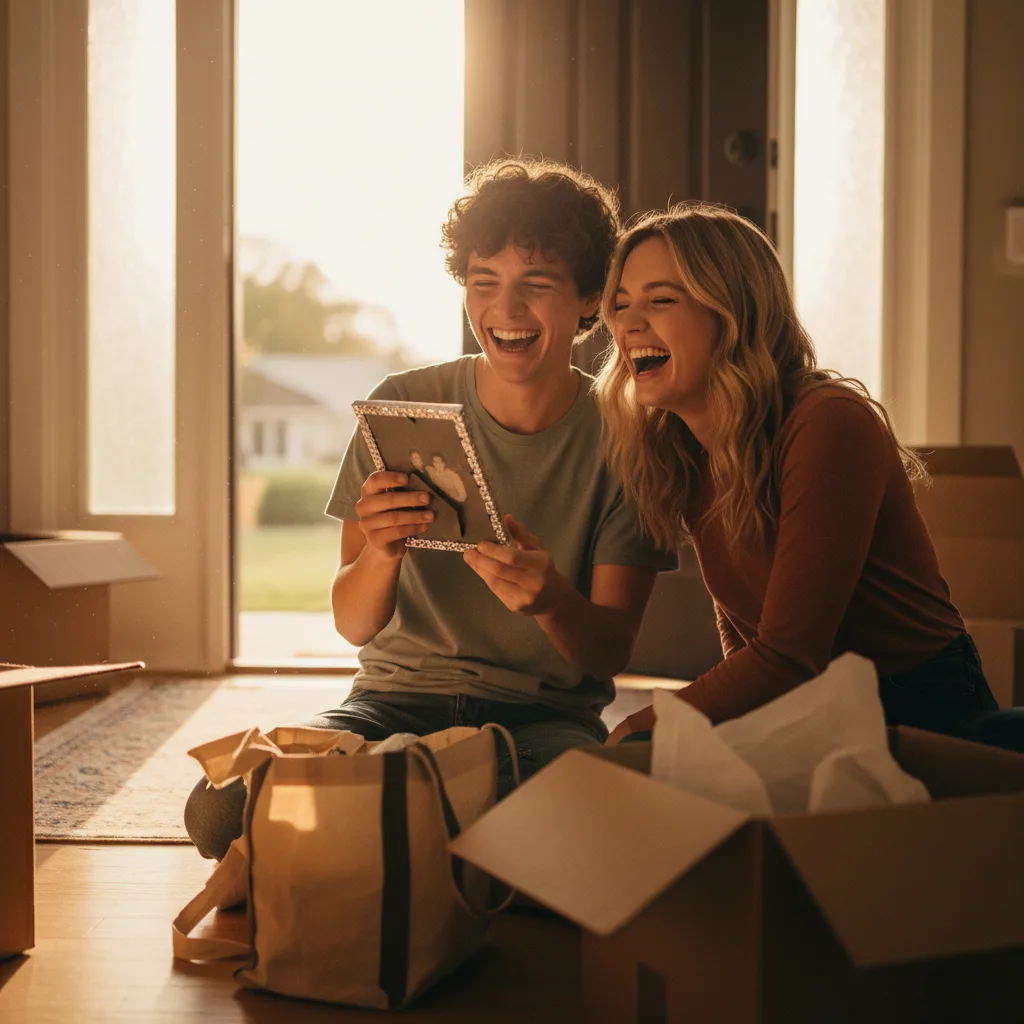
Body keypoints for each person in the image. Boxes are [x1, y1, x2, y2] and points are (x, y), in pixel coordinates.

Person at [184, 158, 675, 860]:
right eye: (485, 284)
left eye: (535, 286)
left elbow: (609, 650)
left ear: (590, 298)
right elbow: (355, 624)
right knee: (218, 810)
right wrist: (381, 552)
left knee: (595, 820)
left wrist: (550, 601)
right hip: (387, 707)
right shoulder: (402, 407)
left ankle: (402, 810)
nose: (504, 311)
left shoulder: (628, 440)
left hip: (539, 724)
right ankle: (427, 808)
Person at [598, 202, 1021, 751]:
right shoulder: (684, 446)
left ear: (733, 312)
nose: (629, 324)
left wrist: (644, 725)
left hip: (921, 710)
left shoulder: (827, 422)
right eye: (621, 304)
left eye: (661, 300)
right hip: (811, 710)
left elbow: (788, 656)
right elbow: (742, 627)